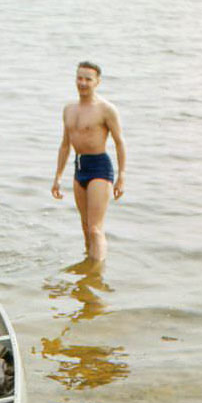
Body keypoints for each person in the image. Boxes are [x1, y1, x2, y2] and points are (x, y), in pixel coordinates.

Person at [51, 61, 126, 264]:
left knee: (95, 228)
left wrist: (121, 176)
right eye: (80, 78)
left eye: (88, 79)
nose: (83, 83)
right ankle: (88, 271)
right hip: (80, 166)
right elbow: (65, 145)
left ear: (97, 82)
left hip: (100, 166)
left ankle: (97, 270)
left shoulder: (106, 109)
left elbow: (120, 142)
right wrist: (58, 177)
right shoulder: (69, 109)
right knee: (85, 227)